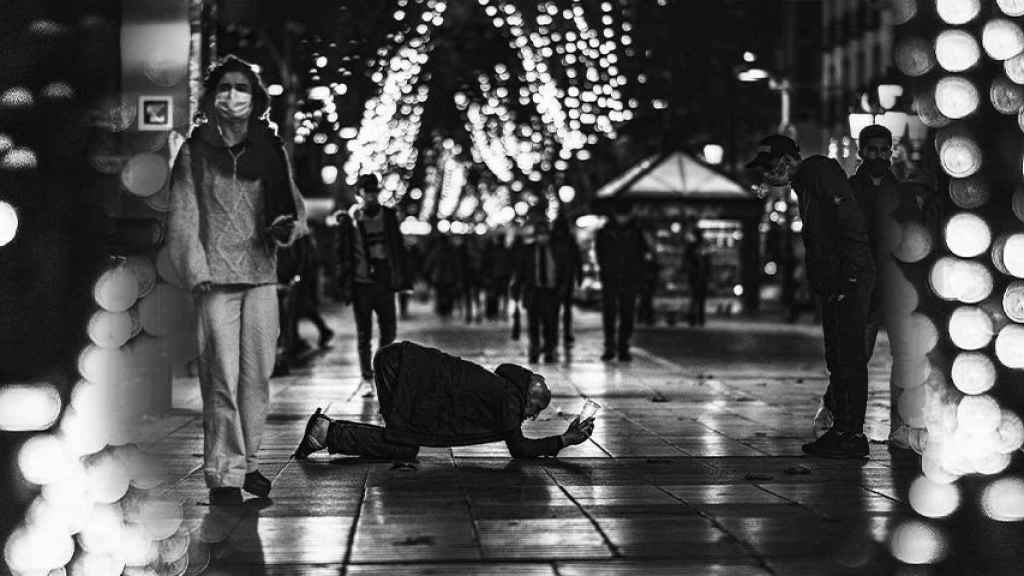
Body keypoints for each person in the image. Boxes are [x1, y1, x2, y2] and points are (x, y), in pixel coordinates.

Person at [168, 55, 307, 505]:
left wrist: (287, 228)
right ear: (211, 97)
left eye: (241, 88)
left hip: (262, 274)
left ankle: (247, 462)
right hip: (214, 280)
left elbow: (294, 207)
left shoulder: (271, 148)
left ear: (256, 98)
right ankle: (223, 472)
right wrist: (195, 269)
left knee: (256, 377)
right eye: (224, 88)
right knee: (220, 378)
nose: (233, 96)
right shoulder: (194, 151)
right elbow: (184, 214)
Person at [748, 134, 875, 459]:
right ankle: (843, 429)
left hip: (849, 282)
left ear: (785, 161)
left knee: (849, 358)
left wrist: (849, 277)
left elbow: (850, 225)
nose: (766, 176)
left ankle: (852, 433)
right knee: (839, 358)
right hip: (837, 282)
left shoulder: (819, 175)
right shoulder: (805, 183)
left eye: (768, 168)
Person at [294, 341, 596, 460]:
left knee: (405, 443)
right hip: (399, 368)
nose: (529, 417)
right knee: (403, 445)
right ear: (527, 396)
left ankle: (326, 432)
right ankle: (326, 432)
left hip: (399, 363)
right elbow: (519, 448)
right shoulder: (508, 398)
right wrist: (565, 440)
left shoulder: (502, 387)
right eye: (534, 409)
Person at [813, 125, 898, 436]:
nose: (878, 155)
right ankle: (838, 408)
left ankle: (837, 407)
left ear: (891, 151)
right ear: (861, 152)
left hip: (886, 283)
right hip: (857, 282)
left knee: (863, 352)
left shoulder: (898, 191)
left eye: (883, 149)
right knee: (853, 352)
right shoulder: (848, 191)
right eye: (872, 149)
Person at [335, 174, 409, 384]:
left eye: (374, 192)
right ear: (359, 194)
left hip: (384, 281)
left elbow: (398, 249)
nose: (371, 196)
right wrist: (343, 281)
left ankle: (379, 366)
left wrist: (403, 279)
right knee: (363, 333)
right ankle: (367, 375)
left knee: (389, 331)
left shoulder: (388, 216)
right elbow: (341, 253)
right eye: (367, 192)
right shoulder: (350, 220)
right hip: (361, 284)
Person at [595, 201, 648, 362]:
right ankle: (610, 346)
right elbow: (600, 254)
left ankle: (623, 346)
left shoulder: (636, 232)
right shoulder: (605, 232)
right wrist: (605, 269)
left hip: (629, 278)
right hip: (611, 278)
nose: (622, 219)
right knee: (610, 314)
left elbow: (641, 255)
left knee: (627, 314)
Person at [513, 219, 563, 364]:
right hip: (533, 292)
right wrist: (516, 289)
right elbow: (521, 272)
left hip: (550, 292)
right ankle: (534, 349)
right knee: (533, 324)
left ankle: (549, 350)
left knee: (550, 324)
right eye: (540, 234)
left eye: (545, 234)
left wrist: (561, 290)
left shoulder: (555, 250)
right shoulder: (527, 251)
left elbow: (562, 270)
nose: (543, 237)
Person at [551, 213, 583, 350]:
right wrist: (579, 275)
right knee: (565, 308)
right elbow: (577, 259)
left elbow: (576, 259)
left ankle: (556, 334)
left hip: (556, 277)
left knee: (555, 308)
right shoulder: (569, 240)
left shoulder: (554, 240)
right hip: (564, 277)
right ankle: (565, 333)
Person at [683, 227, 711, 327]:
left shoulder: (694, 247)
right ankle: (697, 319)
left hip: (698, 275)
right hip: (697, 275)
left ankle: (697, 318)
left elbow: (707, 262)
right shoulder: (695, 247)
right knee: (697, 298)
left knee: (697, 298)